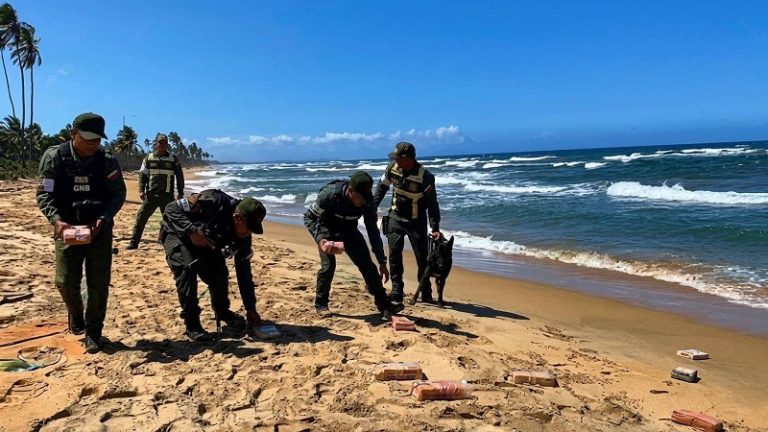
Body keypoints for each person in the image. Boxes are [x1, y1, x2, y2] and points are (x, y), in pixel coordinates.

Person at [36, 112, 127, 353]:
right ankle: (76, 315)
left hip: (99, 229)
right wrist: (56, 221)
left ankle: (94, 333)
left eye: (97, 139)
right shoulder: (55, 157)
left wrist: (103, 219)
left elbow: (119, 194)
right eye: (87, 138)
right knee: (65, 281)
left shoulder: (107, 161)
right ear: (73, 134)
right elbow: (44, 193)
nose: (93, 144)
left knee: (98, 284)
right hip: (67, 227)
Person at [160, 189, 266, 342]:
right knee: (187, 269)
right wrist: (191, 231)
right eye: (249, 227)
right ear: (237, 218)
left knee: (220, 274)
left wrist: (250, 308)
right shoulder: (213, 202)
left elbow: (244, 273)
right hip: (178, 233)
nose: (249, 233)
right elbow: (171, 208)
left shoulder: (244, 238)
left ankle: (222, 311)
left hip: (206, 241)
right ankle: (192, 324)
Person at [304, 171, 403, 320]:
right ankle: (321, 304)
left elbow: (373, 231)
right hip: (326, 229)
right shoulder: (329, 195)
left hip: (349, 230)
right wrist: (320, 239)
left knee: (368, 265)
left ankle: (383, 303)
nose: (363, 202)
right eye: (360, 198)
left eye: (366, 198)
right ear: (350, 191)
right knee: (328, 266)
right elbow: (309, 217)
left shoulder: (368, 202)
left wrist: (382, 261)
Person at [373, 142, 441, 304]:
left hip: (416, 222)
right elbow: (381, 187)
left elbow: (432, 204)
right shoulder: (392, 168)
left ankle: (426, 292)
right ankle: (397, 291)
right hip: (395, 218)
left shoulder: (425, 177)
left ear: (408, 159)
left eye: (398, 158)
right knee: (394, 256)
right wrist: (373, 206)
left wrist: (435, 227)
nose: (395, 161)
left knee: (422, 259)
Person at [127, 133, 184, 250]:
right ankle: (134, 243)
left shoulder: (173, 159)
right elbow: (143, 175)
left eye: (164, 143)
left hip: (167, 196)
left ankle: (168, 243)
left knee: (170, 221)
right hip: (151, 195)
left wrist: (180, 191)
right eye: (160, 142)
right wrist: (141, 190)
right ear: (156, 144)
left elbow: (179, 176)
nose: (162, 145)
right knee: (141, 218)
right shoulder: (148, 158)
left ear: (167, 144)